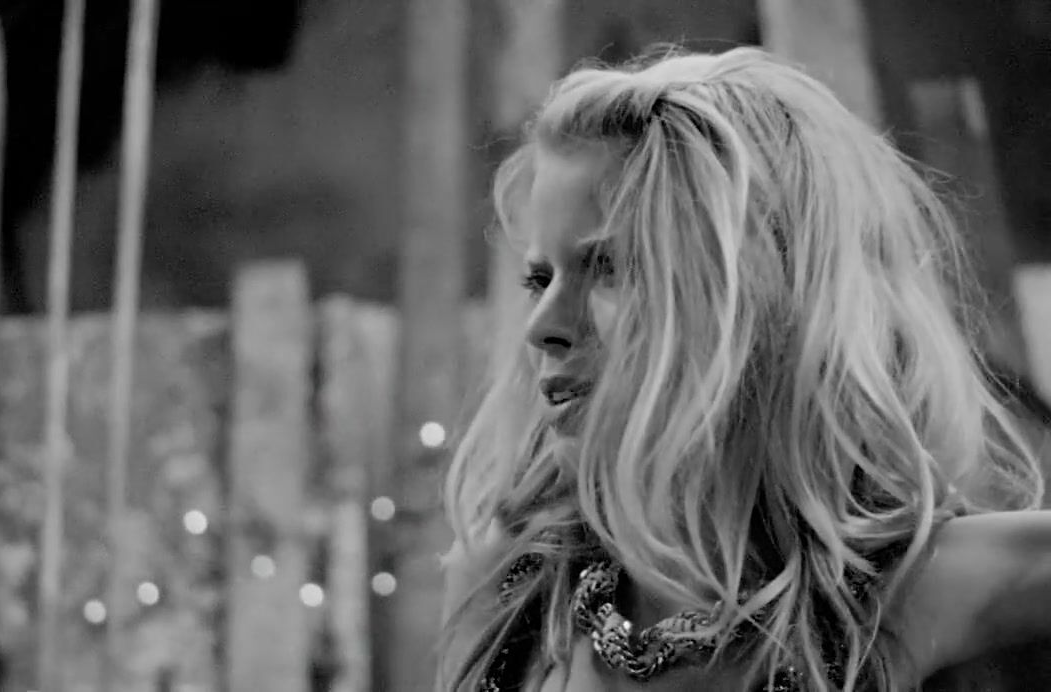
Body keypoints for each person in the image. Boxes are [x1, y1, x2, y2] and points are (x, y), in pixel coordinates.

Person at [436, 47, 1051, 692]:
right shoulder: (503, 590)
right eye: (540, 279)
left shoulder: (933, 590)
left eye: (613, 267)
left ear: (759, 292)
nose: (543, 327)